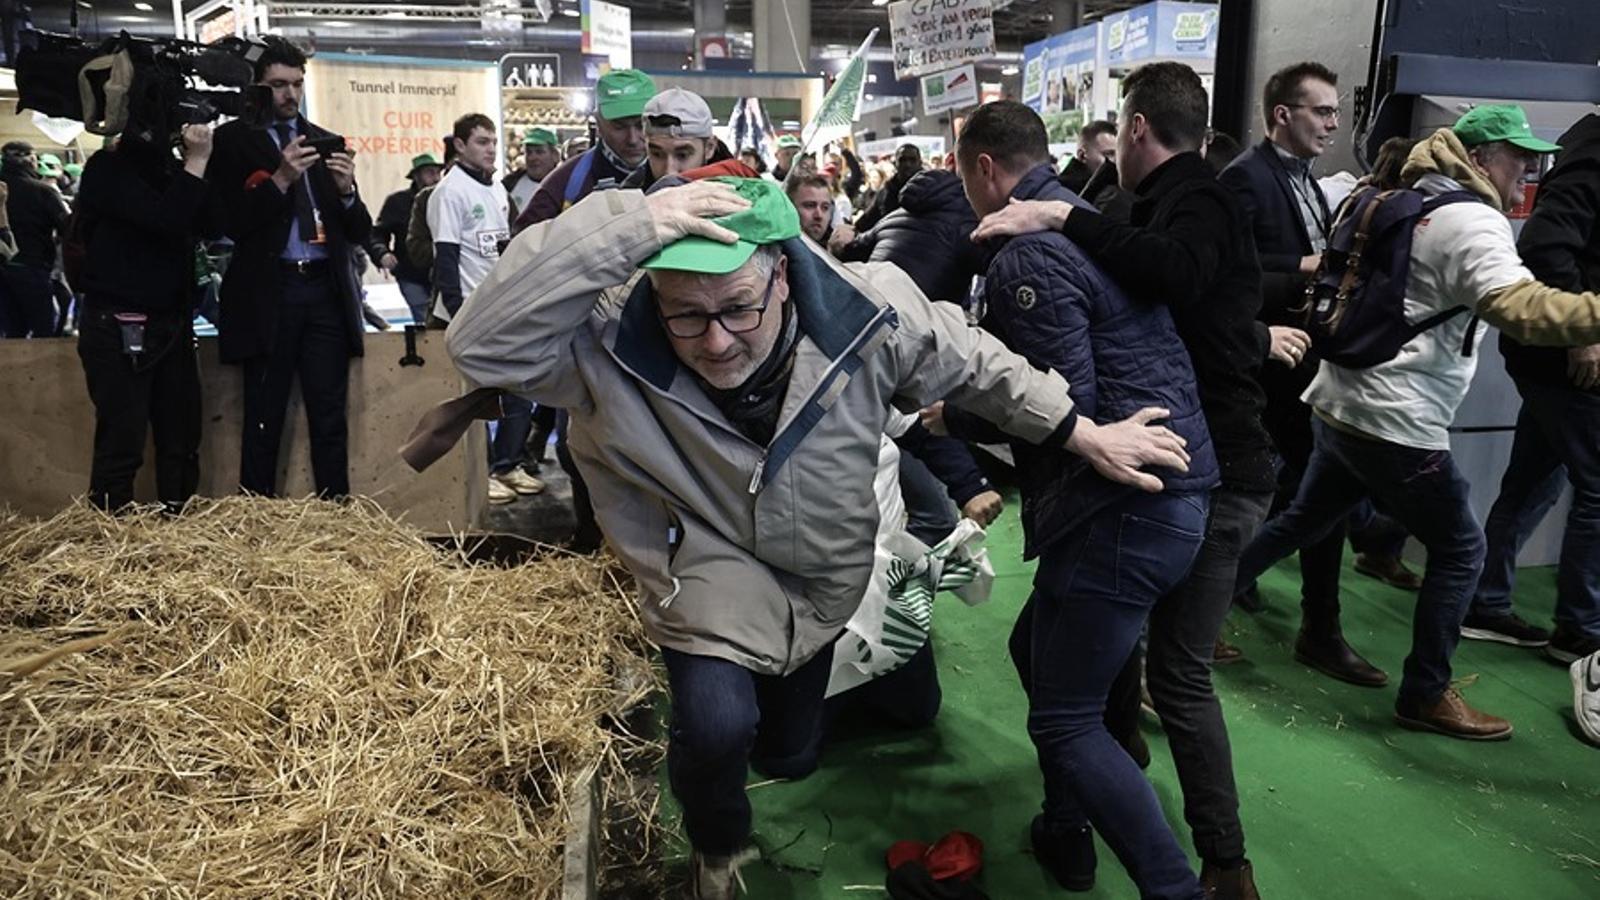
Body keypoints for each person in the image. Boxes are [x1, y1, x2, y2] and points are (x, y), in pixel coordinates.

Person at [438, 175, 1192, 899]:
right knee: (715, 724)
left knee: (788, 753)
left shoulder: (867, 312)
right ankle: (717, 848)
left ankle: (789, 741)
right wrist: (633, 225)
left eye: (738, 308)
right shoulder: (605, 340)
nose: (717, 342)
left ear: (784, 280)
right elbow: (482, 345)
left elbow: (976, 363)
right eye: (686, 316)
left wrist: (1082, 431)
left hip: (823, 568)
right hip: (701, 559)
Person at [973, 63, 1280, 900]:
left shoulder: (1046, 241)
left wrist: (964, 412)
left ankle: (1185, 879)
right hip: (1186, 477)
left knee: (1086, 711)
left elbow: (1054, 396)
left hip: (1140, 495)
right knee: (1046, 657)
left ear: (983, 172)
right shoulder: (1107, 223)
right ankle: (1071, 828)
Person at [1234, 104, 1600, 740]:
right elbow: (1528, 312)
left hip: (1341, 396)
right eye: (1517, 155)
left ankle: (1187, 611)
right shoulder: (1473, 222)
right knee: (1462, 549)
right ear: (1480, 158)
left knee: (1301, 520)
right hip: (1396, 420)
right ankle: (1426, 693)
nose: (1530, 168)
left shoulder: (1391, 196)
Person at [1220, 62, 1414, 690]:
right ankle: (1222, 609)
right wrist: (1307, 268)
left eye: (1334, 111)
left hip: (1305, 361)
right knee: (1265, 497)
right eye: (1322, 111)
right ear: (1283, 114)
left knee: (1311, 498)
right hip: (1262, 363)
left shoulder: (1305, 180)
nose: (1334, 122)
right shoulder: (1245, 178)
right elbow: (1226, 275)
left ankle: (1306, 622)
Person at [206, 36, 373, 499]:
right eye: (279, 85)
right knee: (264, 414)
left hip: (324, 292)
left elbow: (359, 228)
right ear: (257, 87)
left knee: (329, 414)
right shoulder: (232, 141)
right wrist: (280, 180)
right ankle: (258, 516)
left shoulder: (319, 139)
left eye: (297, 84)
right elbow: (229, 224)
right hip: (269, 292)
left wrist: (346, 192)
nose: (290, 95)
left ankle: (337, 513)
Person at [1463, 108, 1600, 661]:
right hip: (1566, 356)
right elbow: (1544, 247)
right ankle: (1581, 630)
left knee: (1534, 481)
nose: (1524, 169)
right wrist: (1580, 336)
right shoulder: (1593, 153)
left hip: (1553, 355)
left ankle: (1488, 602)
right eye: (1516, 159)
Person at [73, 123, 223, 511]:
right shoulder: (107, 169)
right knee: (122, 441)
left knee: (181, 440)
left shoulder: (173, 171)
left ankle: (181, 528)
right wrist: (198, 160)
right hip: (117, 321)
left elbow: (211, 224)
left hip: (171, 320)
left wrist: (202, 164)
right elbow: (166, 219)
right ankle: (111, 539)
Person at [428, 113, 542, 505]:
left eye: (493, 141)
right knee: (473, 400)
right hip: (465, 312)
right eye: (481, 141)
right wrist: (459, 312)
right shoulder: (449, 192)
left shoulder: (495, 189)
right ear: (459, 145)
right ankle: (478, 472)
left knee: (519, 392)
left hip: (501, 309)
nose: (491, 148)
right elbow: (445, 258)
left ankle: (506, 464)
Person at [513, 68, 655, 232]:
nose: (632, 139)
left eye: (641, 125)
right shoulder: (563, 185)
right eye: (619, 127)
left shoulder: (675, 173)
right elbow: (519, 249)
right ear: (598, 123)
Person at [829, 167, 984, 306]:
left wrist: (844, 238)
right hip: (919, 326)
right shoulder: (966, 224)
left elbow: (850, 248)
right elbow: (997, 265)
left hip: (870, 310)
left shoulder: (890, 219)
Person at [0, 140, 69, 337]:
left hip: (3, 268)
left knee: (11, 331)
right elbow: (66, 228)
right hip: (32, 265)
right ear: (31, 160)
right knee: (44, 328)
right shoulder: (43, 191)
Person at [369, 152, 441, 324]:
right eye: (430, 172)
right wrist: (382, 254)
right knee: (424, 321)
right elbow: (378, 233)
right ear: (417, 176)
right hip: (410, 273)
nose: (436, 177)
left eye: (438, 172)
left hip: (441, 272)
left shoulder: (446, 197)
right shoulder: (397, 202)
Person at [621, 88, 733, 191]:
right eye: (657, 154)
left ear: (709, 148)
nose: (669, 172)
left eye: (682, 155)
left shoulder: (743, 197)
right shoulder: (631, 195)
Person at [855, 143, 923, 230]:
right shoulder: (885, 193)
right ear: (895, 164)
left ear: (920, 163)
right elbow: (866, 221)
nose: (907, 164)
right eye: (902, 160)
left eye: (912, 160)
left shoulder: (933, 188)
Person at [503, 127, 560, 222]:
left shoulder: (565, 185)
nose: (533, 158)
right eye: (529, 152)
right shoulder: (510, 184)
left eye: (539, 152)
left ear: (555, 156)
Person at [1058, 120, 1117, 194]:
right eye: (1108, 154)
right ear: (1082, 155)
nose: (1116, 161)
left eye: (1118, 155)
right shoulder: (1063, 192)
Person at [785, 174, 835, 244]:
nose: (819, 215)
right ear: (790, 208)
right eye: (810, 206)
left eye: (825, 208)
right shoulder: (772, 250)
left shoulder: (835, 249)